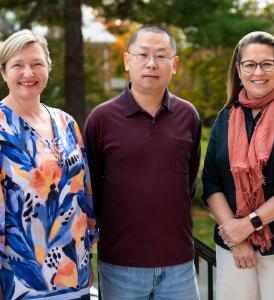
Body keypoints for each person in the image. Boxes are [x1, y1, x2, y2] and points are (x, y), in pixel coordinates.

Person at [83, 26, 201, 300]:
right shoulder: (101, 119)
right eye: (143, 54)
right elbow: (90, 190)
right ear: (127, 61)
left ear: (174, 64)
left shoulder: (188, 115)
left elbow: (188, 182)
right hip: (120, 265)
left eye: (161, 56)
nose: (151, 63)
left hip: (178, 263)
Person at [0, 29, 98, 300]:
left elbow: (84, 195)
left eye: (36, 64)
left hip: (73, 272)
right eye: (18, 65)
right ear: (4, 72)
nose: (28, 73)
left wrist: (87, 255)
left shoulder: (67, 122)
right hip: (22, 281)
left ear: (48, 68)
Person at [202, 31, 274, 300]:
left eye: (267, 63)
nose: (259, 72)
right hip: (233, 249)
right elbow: (210, 182)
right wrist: (237, 235)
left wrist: (251, 223)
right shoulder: (226, 117)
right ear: (238, 69)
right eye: (250, 64)